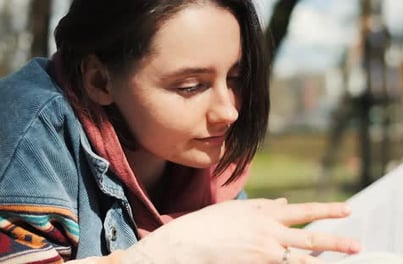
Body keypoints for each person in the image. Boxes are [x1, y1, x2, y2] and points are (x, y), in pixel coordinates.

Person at [0, 0, 361, 263]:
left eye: (235, 78)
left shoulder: (200, 157)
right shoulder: (24, 136)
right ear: (99, 79)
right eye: (190, 86)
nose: (229, 110)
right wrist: (167, 253)